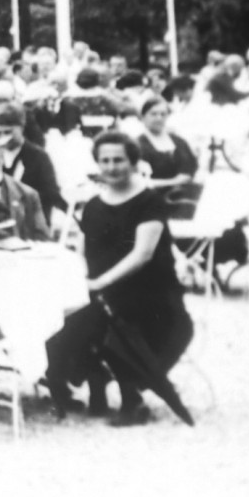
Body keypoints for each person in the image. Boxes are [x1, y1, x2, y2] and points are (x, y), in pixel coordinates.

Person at [45, 130, 196, 426]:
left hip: (151, 291)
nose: (112, 167)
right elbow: (84, 251)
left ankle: (132, 398)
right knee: (65, 319)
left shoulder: (150, 201)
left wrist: (100, 284)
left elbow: (142, 255)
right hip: (104, 290)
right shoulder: (93, 205)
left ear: (133, 162)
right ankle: (92, 382)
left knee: (115, 318)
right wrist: (83, 282)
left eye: (119, 160)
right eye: (105, 161)